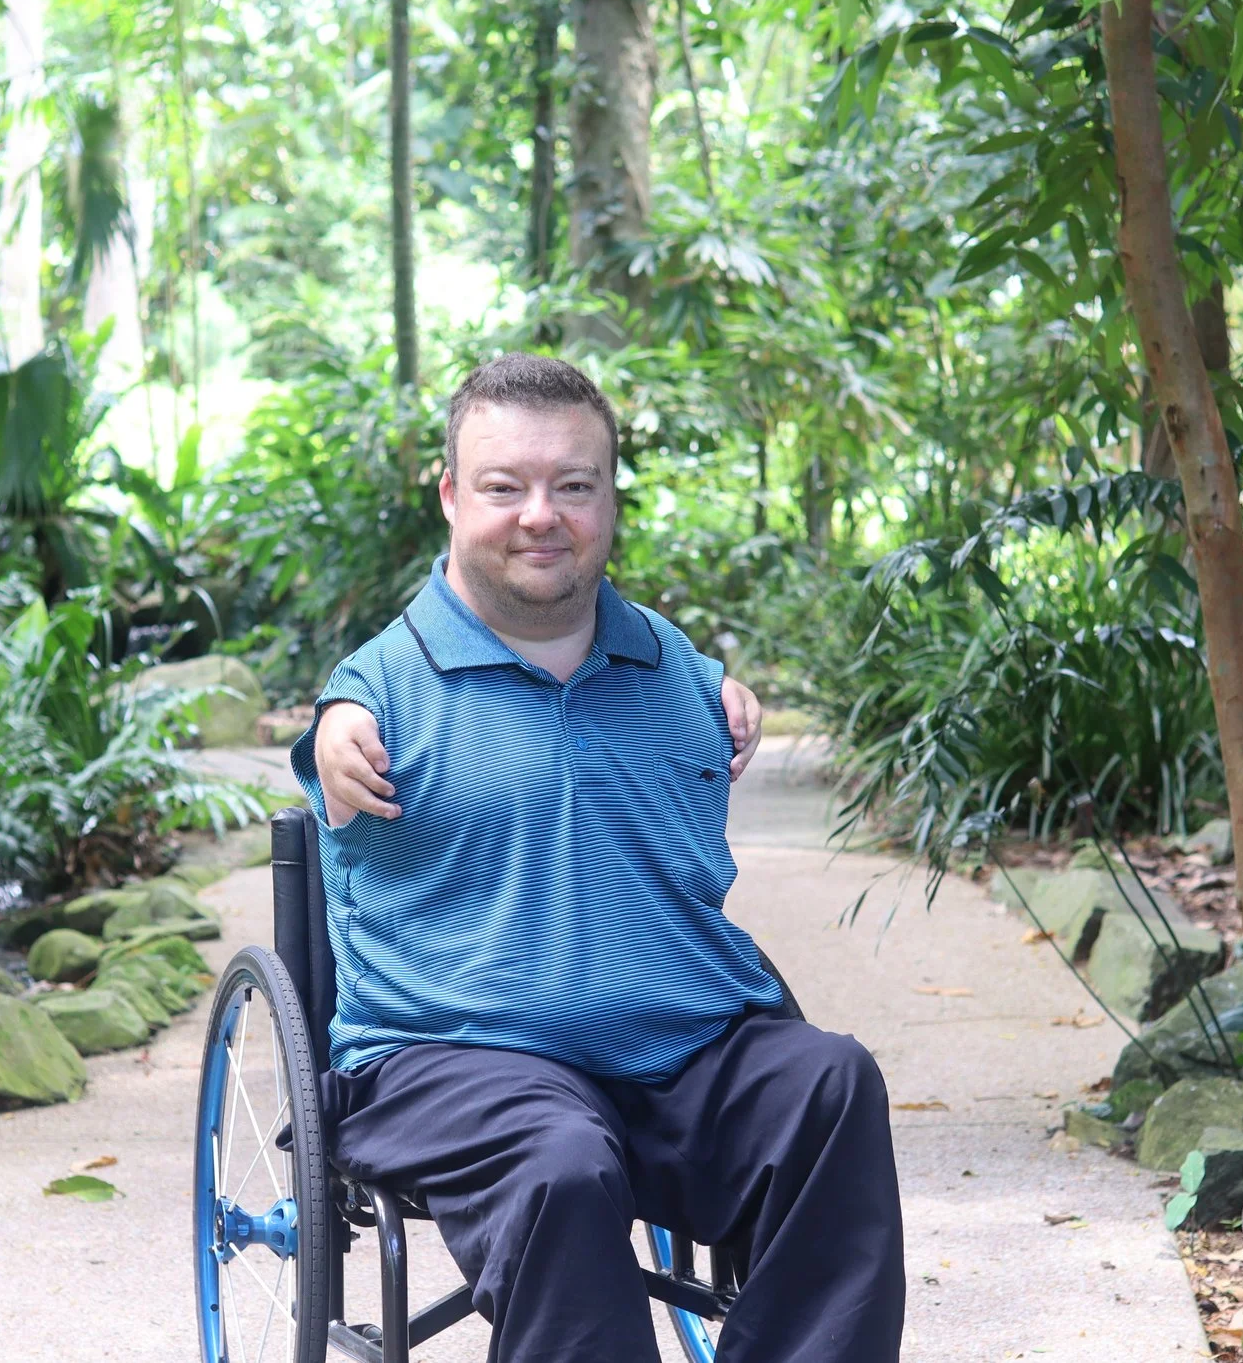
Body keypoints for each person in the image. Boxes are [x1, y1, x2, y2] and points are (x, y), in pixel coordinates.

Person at [291, 353, 904, 1363]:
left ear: (608, 498)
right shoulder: (378, 690)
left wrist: (727, 694)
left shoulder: (670, 663)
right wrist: (333, 731)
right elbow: (333, 731)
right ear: (450, 496)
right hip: (462, 1062)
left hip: (679, 1052)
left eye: (572, 484)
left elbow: (707, 710)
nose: (541, 514)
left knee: (830, 1083)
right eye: (503, 486)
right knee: (563, 1157)